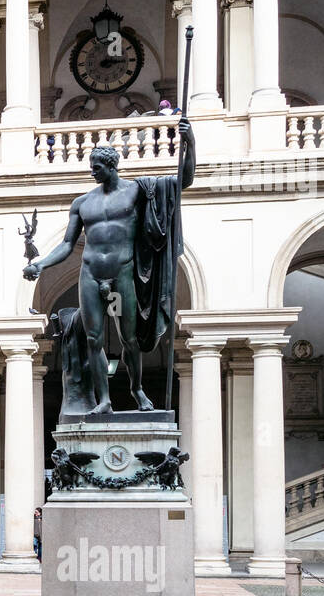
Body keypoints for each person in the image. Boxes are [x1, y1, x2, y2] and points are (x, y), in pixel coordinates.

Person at [24, 118, 196, 414]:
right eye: (91, 167)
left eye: (97, 167)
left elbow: (184, 180)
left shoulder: (137, 191)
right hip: (90, 274)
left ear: (112, 166)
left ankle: (137, 390)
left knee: (129, 338)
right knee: (93, 338)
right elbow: (67, 245)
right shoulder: (82, 203)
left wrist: (190, 142)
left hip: (123, 273)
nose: (92, 172)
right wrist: (41, 264)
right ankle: (103, 399)